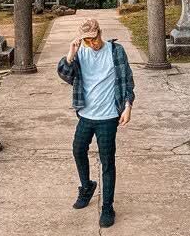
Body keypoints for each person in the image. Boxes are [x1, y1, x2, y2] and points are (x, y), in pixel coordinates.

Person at [57, 17, 135, 228]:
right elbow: (65, 75)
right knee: (78, 149)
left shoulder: (115, 51)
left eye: (94, 38)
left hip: (109, 116)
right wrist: (71, 53)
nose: (92, 43)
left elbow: (127, 80)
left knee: (107, 161)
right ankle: (86, 186)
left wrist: (127, 106)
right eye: (87, 40)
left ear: (100, 33)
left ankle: (108, 206)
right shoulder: (80, 53)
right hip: (86, 114)